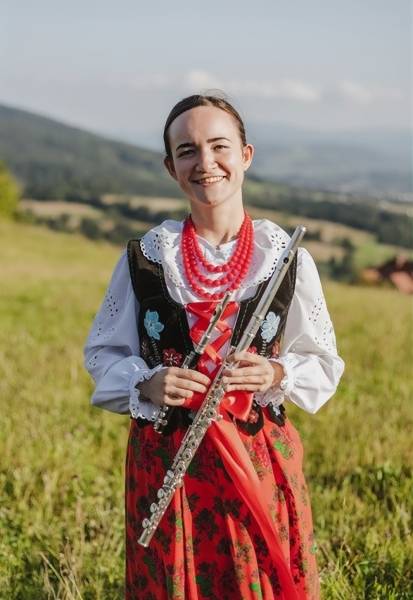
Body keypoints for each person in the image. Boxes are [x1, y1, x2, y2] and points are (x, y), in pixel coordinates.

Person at [84, 93, 344, 600]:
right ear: (171, 167)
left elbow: (323, 361)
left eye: (219, 146)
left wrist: (276, 373)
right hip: (167, 459)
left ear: (245, 155)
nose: (205, 162)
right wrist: (148, 383)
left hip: (257, 456)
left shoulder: (286, 259)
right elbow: (102, 355)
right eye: (187, 151)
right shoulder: (145, 257)